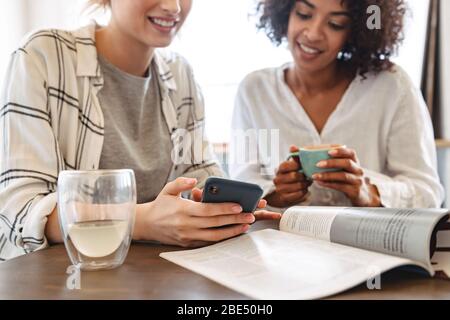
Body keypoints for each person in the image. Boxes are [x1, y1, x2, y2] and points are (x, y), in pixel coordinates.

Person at [0, 0, 280, 261]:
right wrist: (140, 221)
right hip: (58, 276)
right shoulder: (44, 55)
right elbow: (22, 210)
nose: (174, 7)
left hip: (152, 275)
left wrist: (221, 209)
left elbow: (201, 173)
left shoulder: (181, 74)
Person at [230, 0, 444, 210]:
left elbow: (427, 192)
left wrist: (369, 193)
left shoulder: (391, 86)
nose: (313, 34)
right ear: (285, 12)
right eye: (304, 14)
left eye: (335, 24)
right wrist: (277, 194)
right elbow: (241, 184)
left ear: (355, 31)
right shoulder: (254, 90)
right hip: (280, 243)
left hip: (364, 243)